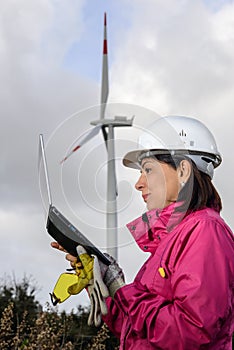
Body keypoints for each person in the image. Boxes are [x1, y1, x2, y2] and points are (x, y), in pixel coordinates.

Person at [52, 116, 234, 349]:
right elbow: (141, 332)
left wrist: (122, 290)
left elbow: (190, 332)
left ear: (183, 170)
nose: (138, 183)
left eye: (148, 169)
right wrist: (106, 288)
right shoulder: (175, 238)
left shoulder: (206, 231)